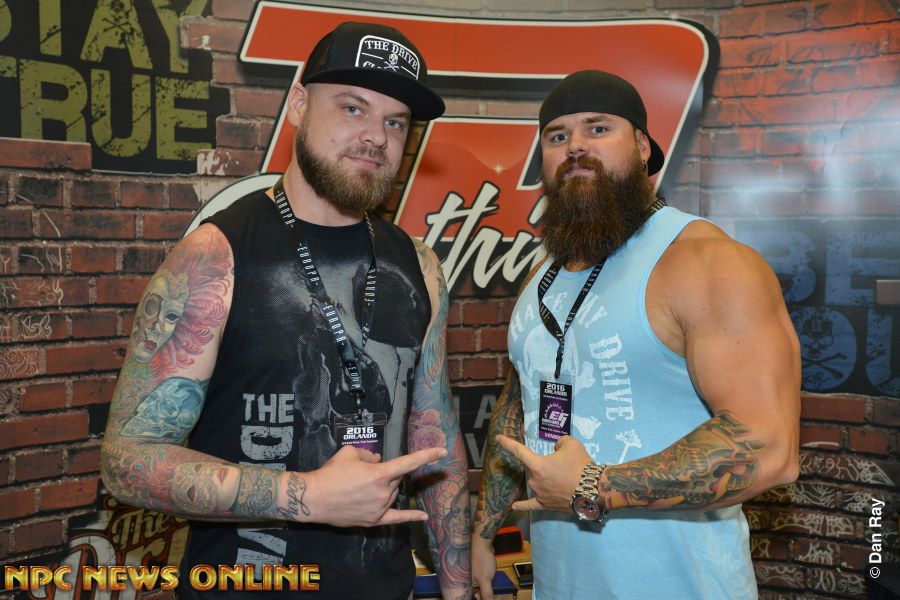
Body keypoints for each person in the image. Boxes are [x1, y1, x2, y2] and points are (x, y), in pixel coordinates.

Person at [101, 22, 471, 600]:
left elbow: (436, 438)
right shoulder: (215, 256)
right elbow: (126, 461)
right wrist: (307, 497)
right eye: (352, 107)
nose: (375, 137)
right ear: (298, 104)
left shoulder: (418, 266)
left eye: (395, 121)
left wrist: (457, 587)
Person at [471, 70, 800, 599]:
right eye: (557, 136)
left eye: (598, 128)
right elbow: (519, 404)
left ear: (643, 147)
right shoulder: (541, 277)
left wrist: (592, 486)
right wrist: (484, 532)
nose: (576, 146)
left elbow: (770, 447)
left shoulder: (707, 261)